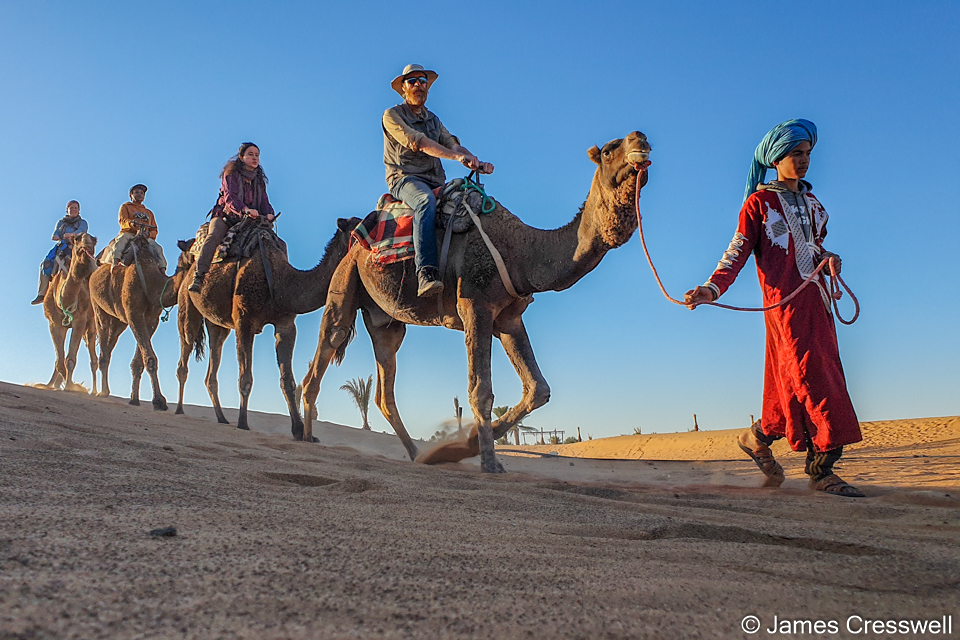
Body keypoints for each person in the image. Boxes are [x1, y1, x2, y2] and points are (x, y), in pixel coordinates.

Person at [684, 119, 865, 498]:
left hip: (817, 302)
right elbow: (737, 251)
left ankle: (757, 437)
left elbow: (813, 247)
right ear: (776, 159)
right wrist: (711, 289)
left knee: (803, 381)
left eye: (807, 154)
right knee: (812, 378)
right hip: (785, 310)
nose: (803, 161)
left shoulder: (816, 206)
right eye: (795, 154)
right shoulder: (759, 204)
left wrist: (829, 257)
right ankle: (821, 471)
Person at [383, 64, 494, 297]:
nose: (418, 85)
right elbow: (418, 142)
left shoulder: (434, 120)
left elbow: (452, 143)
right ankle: (425, 271)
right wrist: (456, 156)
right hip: (405, 179)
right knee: (425, 202)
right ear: (403, 88)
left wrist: (474, 160)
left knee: (471, 200)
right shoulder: (392, 115)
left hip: (436, 179)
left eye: (422, 80)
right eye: (412, 81)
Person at [188, 142, 275, 293]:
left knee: (276, 242)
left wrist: (269, 213)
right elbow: (230, 198)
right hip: (226, 216)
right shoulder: (231, 174)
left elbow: (264, 201)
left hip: (251, 220)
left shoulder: (259, 180)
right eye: (250, 155)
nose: (255, 158)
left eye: (257, 155)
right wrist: (245, 209)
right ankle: (199, 276)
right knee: (213, 236)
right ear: (242, 157)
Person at [99, 184, 167, 271]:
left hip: (145, 237)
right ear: (131, 195)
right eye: (136, 192)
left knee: (158, 248)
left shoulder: (149, 213)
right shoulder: (125, 207)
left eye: (142, 193)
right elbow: (123, 221)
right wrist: (132, 224)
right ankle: (115, 262)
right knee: (121, 240)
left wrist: (149, 234)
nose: (139, 194)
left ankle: (162, 270)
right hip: (129, 233)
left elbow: (154, 229)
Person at [32, 200, 88, 304]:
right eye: (71, 208)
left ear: (79, 210)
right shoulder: (61, 223)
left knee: (90, 264)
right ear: (67, 210)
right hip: (62, 247)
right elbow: (55, 235)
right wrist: (61, 236)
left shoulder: (82, 222)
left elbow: (81, 232)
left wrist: (71, 235)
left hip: (77, 247)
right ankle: (42, 294)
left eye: (76, 208)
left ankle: (94, 290)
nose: (74, 210)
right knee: (45, 264)